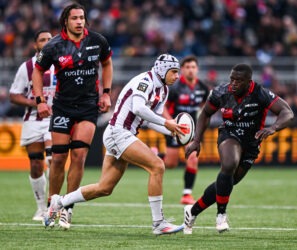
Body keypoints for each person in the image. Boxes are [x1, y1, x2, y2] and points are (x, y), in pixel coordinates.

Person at [44, 54, 185, 235]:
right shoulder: (145, 81)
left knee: (104, 188)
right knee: (157, 166)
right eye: (173, 72)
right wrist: (167, 123)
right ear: (162, 69)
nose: (176, 76)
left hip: (122, 134)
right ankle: (158, 223)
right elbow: (138, 108)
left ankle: (60, 201)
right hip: (119, 132)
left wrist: (173, 132)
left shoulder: (163, 90)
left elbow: (150, 121)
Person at [183, 63, 294, 234]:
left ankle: (192, 211)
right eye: (231, 79)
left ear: (249, 82)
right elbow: (205, 113)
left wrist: (274, 127)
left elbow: (287, 112)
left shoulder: (260, 93)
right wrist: (197, 140)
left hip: (251, 143)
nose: (233, 83)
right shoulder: (221, 92)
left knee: (228, 182)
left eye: (238, 80)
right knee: (229, 164)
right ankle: (221, 215)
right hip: (229, 134)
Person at [32, 3, 113, 229]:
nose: (79, 22)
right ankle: (52, 203)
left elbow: (107, 64)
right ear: (66, 21)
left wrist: (106, 94)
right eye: (75, 18)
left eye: (82, 18)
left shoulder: (97, 41)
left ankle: (67, 208)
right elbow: (38, 71)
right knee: (58, 158)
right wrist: (40, 101)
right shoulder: (53, 46)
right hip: (63, 106)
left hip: (88, 106)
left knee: (78, 156)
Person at [9, 30, 54, 221]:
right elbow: (14, 95)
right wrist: (35, 103)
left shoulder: (63, 63)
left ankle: (55, 207)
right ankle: (41, 208)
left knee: (53, 161)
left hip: (56, 119)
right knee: (36, 164)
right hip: (33, 120)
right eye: (42, 40)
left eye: (49, 39)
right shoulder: (27, 67)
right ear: (35, 45)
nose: (46, 42)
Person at [162, 55, 209, 205]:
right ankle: (154, 154)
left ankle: (187, 194)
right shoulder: (175, 88)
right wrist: (170, 122)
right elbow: (162, 106)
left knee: (193, 157)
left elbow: (207, 107)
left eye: (193, 67)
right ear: (182, 70)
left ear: (197, 69)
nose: (190, 70)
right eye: (187, 67)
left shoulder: (202, 88)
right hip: (175, 129)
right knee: (170, 164)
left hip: (192, 130)